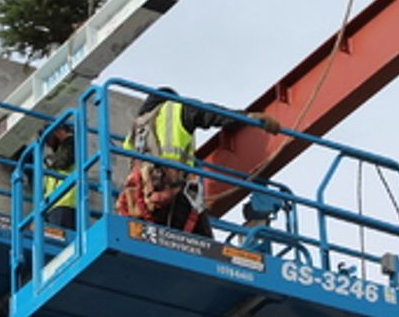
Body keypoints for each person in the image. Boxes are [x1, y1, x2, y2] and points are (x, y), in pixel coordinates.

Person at [115, 87, 280, 237]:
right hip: (173, 196)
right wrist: (246, 117)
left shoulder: (134, 132)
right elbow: (208, 113)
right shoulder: (174, 109)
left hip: (143, 204)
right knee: (207, 249)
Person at [41, 122, 79, 231]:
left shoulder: (72, 144)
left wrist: (50, 160)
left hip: (65, 203)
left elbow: (64, 161)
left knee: (62, 242)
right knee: (55, 243)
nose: (49, 144)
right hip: (52, 206)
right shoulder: (58, 153)